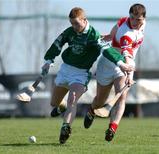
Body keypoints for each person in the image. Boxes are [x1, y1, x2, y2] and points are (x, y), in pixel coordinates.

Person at [41, 7, 134, 144]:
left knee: (72, 99)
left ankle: (66, 127)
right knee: (54, 102)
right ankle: (61, 106)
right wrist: (48, 61)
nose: (74, 27)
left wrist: (121, 63)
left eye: (77, 24)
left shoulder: (93, 35)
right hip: (65, 70)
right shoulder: (70, 32)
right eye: (72, 23)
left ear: (84, 20)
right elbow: (57, 44)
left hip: (81, 73)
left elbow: (107, 50)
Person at [84, 3, 146, 142]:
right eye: (132, 18)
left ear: (143, 18)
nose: (135, 22)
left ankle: (112, 128)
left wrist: (128, 75)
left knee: (121, 97)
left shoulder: (141, 23)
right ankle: (91, 110)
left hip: (124, 66)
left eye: (138, 19)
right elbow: (126, 55)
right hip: (110, 62)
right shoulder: (126, 33)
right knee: (100, 100)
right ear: (129, 16)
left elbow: (111, 36)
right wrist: (130, 74)